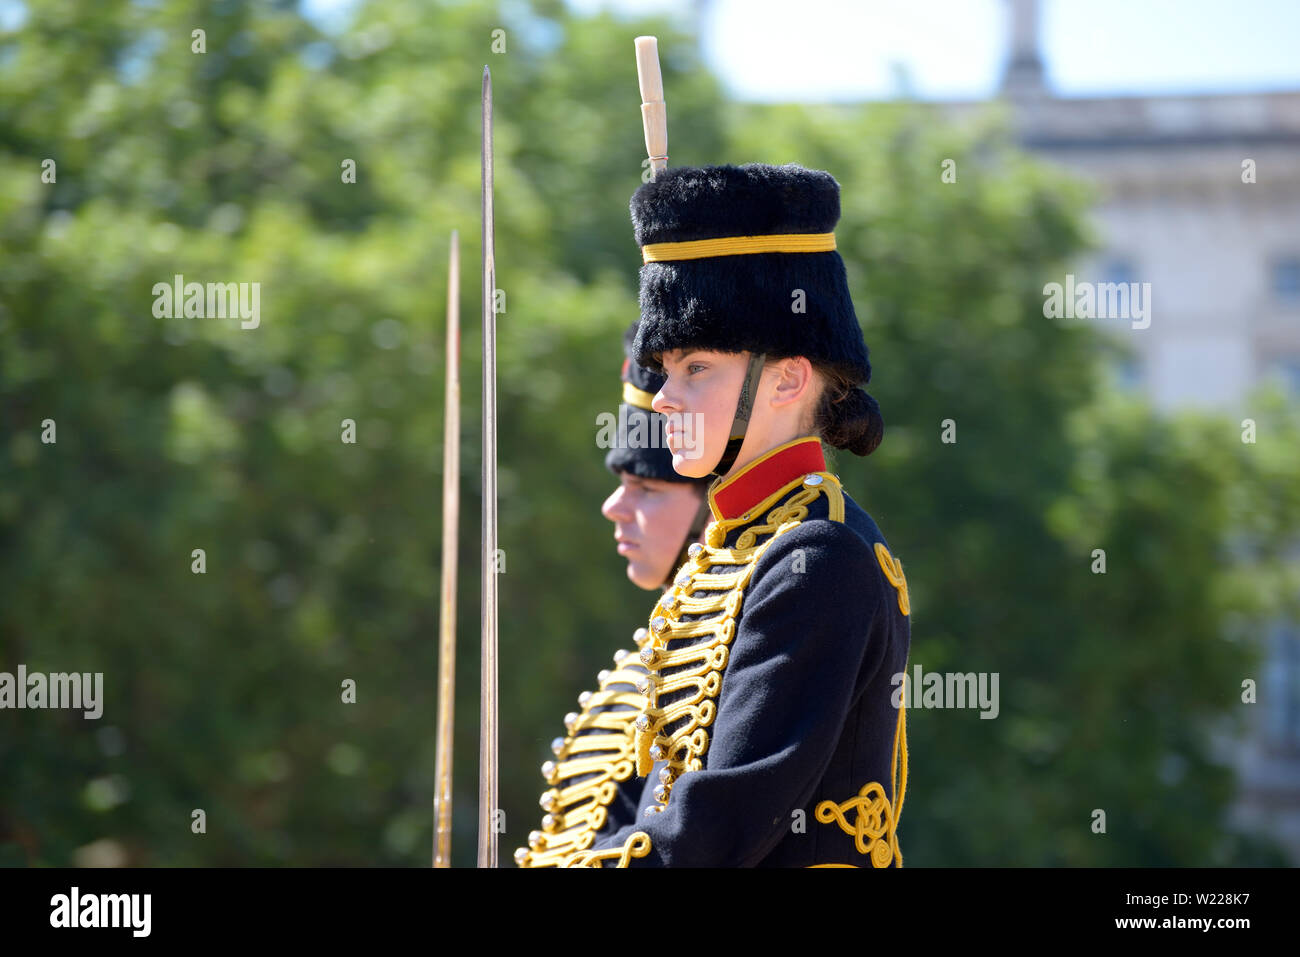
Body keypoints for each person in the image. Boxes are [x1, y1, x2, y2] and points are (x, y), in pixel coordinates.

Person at [558, 162, 913, 868]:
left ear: (787, 378)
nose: (663, 398)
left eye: (696, 368)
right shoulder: (731, 553)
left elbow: (717, 828)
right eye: (665, 369)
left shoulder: (820, 557)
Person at [514, 324, 711, 867]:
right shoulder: (645, 671)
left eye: (646, 488)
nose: (614, 507)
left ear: (711, 504)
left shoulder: (721, 662)